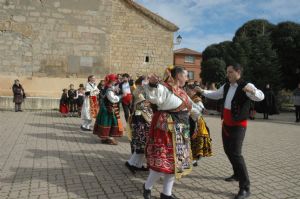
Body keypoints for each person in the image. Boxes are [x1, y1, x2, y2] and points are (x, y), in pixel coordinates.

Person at [196, 64, 264, 199]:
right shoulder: (226, 86)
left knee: (236, 154)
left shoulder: (246, 85)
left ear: (238, 72)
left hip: (238, 125)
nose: (228, 74)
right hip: (226, 123)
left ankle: (245, 187)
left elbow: (260, 96)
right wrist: (203, 91)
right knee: (228, 150)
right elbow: (216, 94)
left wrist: (252, 91)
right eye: (227, 72)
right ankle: (237, 174)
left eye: (230, 72)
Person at [142, 66, 202, 199]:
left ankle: (166, 194)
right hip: (166, 129)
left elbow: (192, 107)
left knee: (175, 164)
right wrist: (152, 84)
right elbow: (153, 96)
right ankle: (147, 187)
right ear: (178, 76)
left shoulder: (182, 92)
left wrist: (198, 114)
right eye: (186, 75)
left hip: (180, 130)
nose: (187, 78)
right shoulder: (164, 87)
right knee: (162, 162)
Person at [125, 76, 153, 174]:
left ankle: (138, 164)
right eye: (146, 81)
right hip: (141, 119)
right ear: (142, 82)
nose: (148, 82)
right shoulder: (138, 90)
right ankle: (130, 163)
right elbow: (138, 101)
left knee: (144, 145)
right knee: (142, 144)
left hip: (146, 119)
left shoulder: (147, 91)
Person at [186, 84, 212, 167]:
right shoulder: (191, 98)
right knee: (191, 141)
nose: (187, 91)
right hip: (190, 121)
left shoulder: (197, 99)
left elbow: (200, 110)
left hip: (197, 123)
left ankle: (194, 159)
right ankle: (192, 159)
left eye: (188, 90)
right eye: (186, 90)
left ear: (194, 91)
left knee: (197, 141)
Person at [93, 74, 123, 145]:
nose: (116, 81)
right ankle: (109, 138)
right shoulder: (109, 89)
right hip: (108, 108)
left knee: (107, 122)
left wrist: (116, 90)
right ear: (111, 80)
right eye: (115, 79)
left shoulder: (109, 87)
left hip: (107, 107)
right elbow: (112, 99)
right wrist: (121, 96)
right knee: (111, 122)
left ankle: (105, 138)